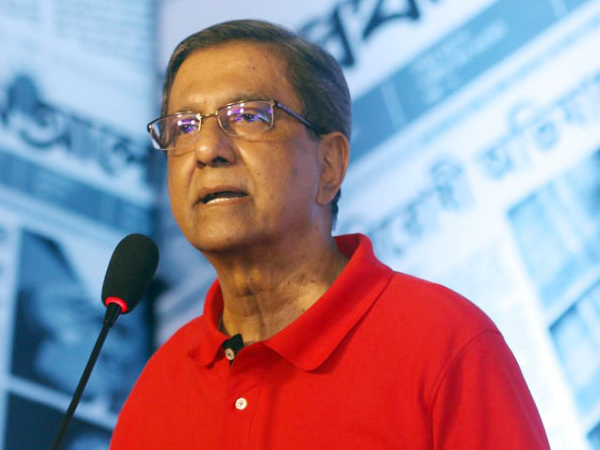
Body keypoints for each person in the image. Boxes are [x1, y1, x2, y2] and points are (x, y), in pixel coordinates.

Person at [110, 19, 550, 449]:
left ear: (330, 165)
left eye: (247, 116)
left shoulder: (444, 342)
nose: (207, 150)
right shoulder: (159, 388)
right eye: (184, 127)